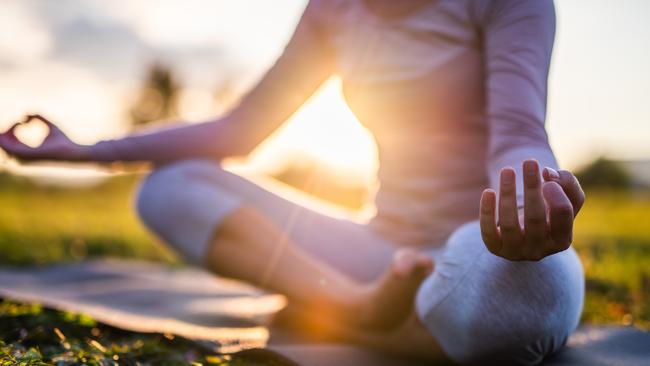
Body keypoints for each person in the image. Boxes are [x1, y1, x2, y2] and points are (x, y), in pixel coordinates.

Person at [0, 0, 586, 364]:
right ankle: (357, 310)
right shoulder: (335, 9)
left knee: (522, 306)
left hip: (481, 247)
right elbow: (241, 130)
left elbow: (517, 131)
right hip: (376, 255)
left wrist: (533, 196)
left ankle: (365, 313)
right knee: (168, 189)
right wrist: (83, 152)